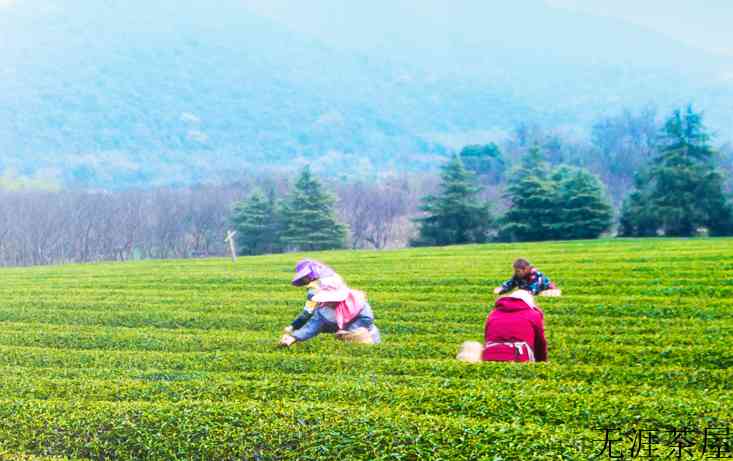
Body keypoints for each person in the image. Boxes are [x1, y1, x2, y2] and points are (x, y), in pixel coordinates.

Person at [280, 261, 381, 346]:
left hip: (368, 337)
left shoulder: (355, 302)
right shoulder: (321, 308)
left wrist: (352, 330)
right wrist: (293, 337)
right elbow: (311, 325)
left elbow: (367, 318)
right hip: (347, 340)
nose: (328, 303)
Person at [456, 290, 547, 363]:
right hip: (519, 356)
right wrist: (542, 363)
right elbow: (540, 343)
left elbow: (488, 337)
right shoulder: (533, 314)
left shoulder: (494, 313)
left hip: (489, 355)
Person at [284, 259, 345, 335]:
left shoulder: (314, 288)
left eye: (304, 277)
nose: (303, 280)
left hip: (332, 319)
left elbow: (308, 312)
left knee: (315, 322)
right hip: (348, 314)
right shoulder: (333, 278)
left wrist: (293, 326)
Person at [493, 258, 560, 297]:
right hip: (527, 290)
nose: (516, 273)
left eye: (518, 271)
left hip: (542, 290)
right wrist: (502, 289)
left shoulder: (536, 276)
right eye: (515, 271)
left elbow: (532, 291)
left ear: (525, 269)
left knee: (547, 294)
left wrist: (517, 293)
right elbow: (510, 283)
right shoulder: (518, 275)